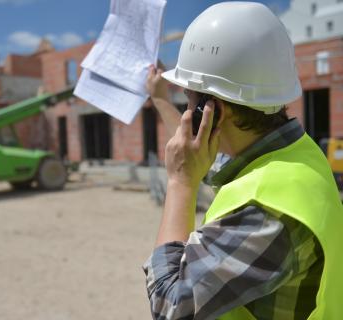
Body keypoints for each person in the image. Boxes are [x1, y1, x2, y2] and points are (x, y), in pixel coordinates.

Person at [143, 2, 343, 319]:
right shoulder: (295, 157)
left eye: (189, 98)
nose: (186, 110)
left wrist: (179, 184)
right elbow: (207, 164)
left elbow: (169, 304)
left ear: (213, 112)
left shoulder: (266, 212)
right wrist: (160, 99)